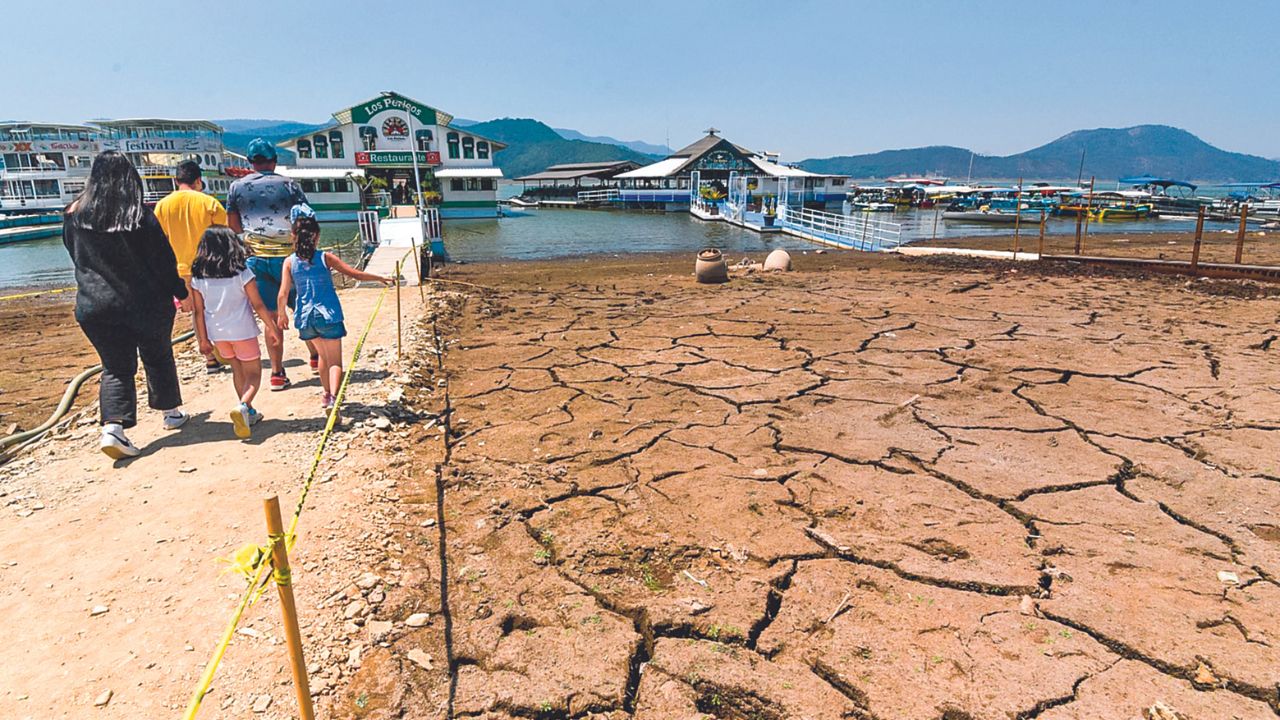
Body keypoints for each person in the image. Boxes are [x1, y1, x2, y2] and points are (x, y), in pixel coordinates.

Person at [62, 151, 189, 459]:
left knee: (116, 367)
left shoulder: (74, 214)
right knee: (157, 355)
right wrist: (180, 291)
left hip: (95, 305)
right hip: (145, 303)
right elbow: (162, 260)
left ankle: (113, 430)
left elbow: (74, 254)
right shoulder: (139, 215)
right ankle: (170, 413)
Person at [277, 211, 390, 411]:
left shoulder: (289, 262)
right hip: (327, 314)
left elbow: (283, 293)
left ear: (293, 236)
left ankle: (325, 393)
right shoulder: (324, 257)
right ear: (317, 236)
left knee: (322, 357)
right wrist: (379, 278)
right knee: (335, 361)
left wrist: (281, 314)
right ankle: (334, 399)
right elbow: (354, 274)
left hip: (305, 317)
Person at [226, 138, 314, 391]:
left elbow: (234, 226)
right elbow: (305, 220)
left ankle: (277, 373)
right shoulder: (289, 185)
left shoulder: (236, 188)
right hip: (290, 258)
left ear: (251, 163)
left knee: (272, 319)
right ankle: (317, 357)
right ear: (274, 161)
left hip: (256, 260)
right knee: (303, 307)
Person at [190, 226, 280, 439]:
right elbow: (257, 304)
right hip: (243, 331)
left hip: (217, 334)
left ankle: (247, 413)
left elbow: (198, 312)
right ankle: (243, 405)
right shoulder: (242, 272)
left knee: (237, 370)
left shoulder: (198, 276)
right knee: (255, 374)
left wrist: (203, 340)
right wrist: (272, 327)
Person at [153, 159, 227, 373]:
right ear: (198, 181)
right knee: (215, 310)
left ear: (176, 181)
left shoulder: (162, 205)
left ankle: (210, 358)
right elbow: (225, 236)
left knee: (197, 312)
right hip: (210, 266)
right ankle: (226, 351)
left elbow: (159, 241)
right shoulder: (209, 203)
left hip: (180, 269)